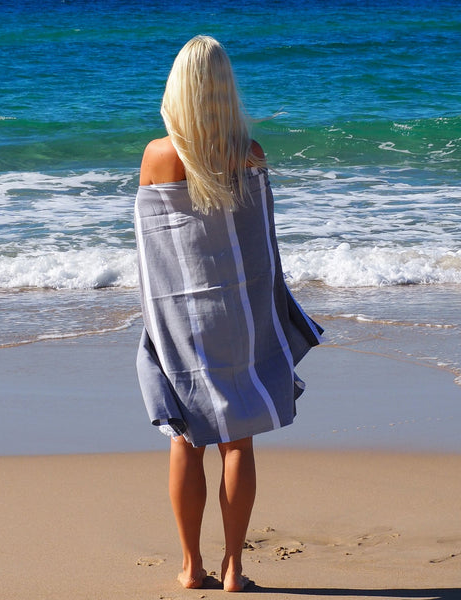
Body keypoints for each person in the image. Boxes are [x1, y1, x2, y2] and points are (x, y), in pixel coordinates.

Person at [134, 35, 323, 592]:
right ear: (224, 89)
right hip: (238, 313)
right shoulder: (250, 153)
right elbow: (263, 248)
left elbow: (152, 253)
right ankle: (235, 568)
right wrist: (274, 314)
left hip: (183, 317)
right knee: (237, 442)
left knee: (186, 438)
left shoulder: (158, 155)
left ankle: (192, 567)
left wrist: (155, 325)